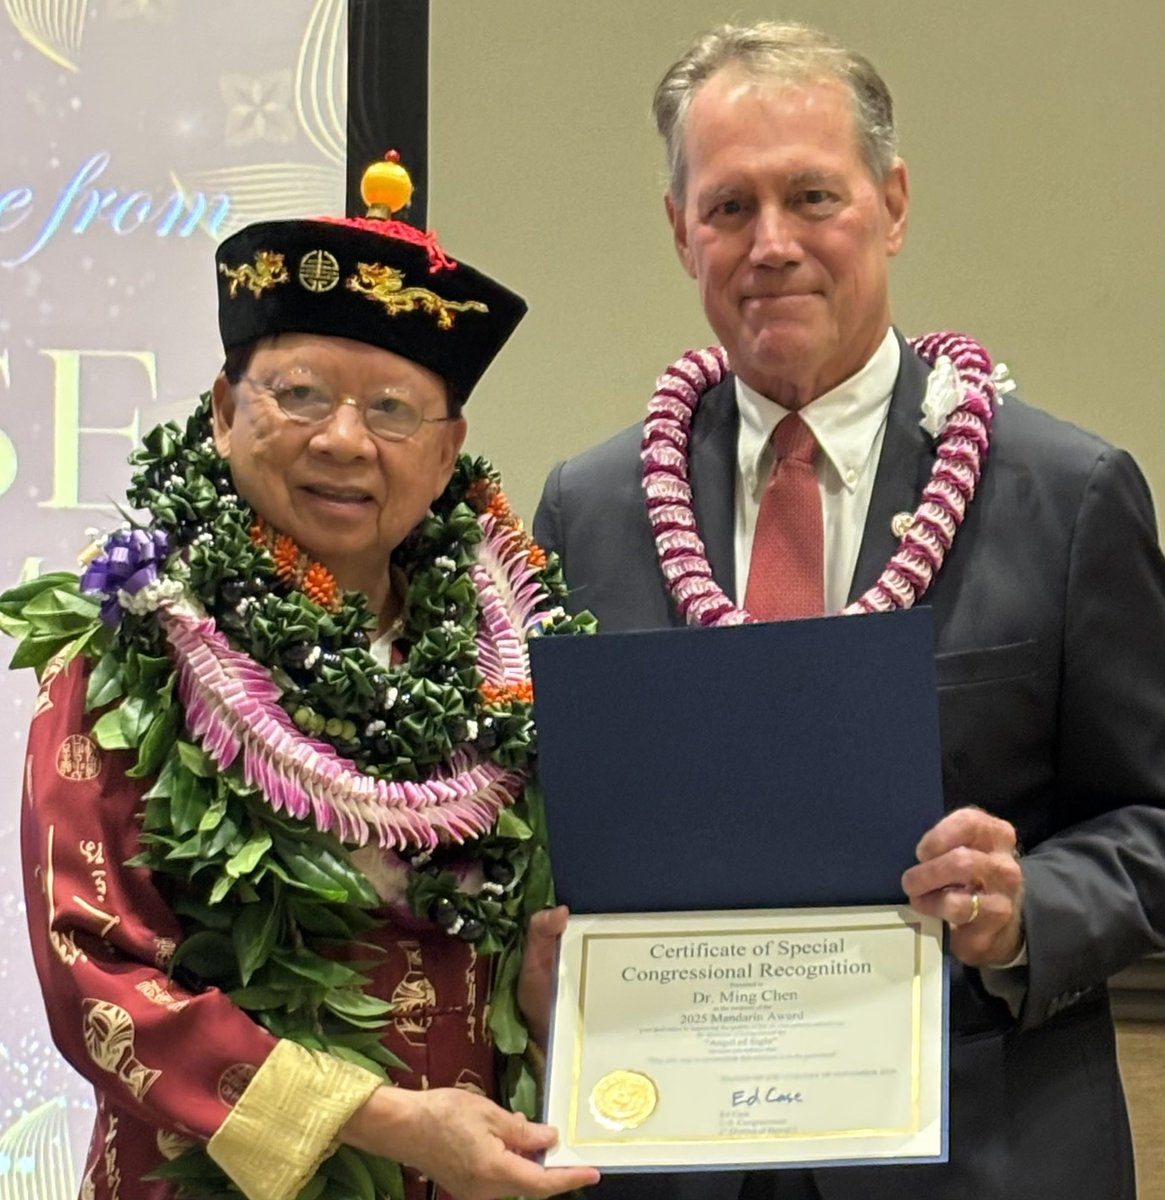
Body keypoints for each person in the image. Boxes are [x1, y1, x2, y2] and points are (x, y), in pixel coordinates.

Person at [532, 20, 1165, 1200]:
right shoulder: (590, 507)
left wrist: (1032, 908)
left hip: (983, 1155)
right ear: (680, 230)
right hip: (672, 1155)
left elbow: (1153, 820)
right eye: (728, 208)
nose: (770, 245)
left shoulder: (1068, 496)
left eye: (811, 195)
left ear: (891, 203)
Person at [5, 153, 600, 1200]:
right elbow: (95, 978)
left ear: (451, 447)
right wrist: (389, 1122)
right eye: (302, 395)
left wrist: (559, 1002)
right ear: (227, 410)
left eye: (390, 409)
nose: (341, 440)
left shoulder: (518, 675)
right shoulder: (132, 655)